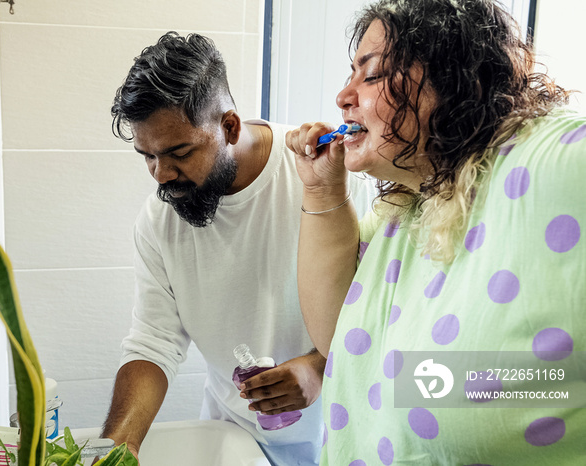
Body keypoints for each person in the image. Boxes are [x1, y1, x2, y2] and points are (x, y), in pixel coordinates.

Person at [287, 0, 585, 464]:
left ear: (456, 76)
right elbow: (338, 345)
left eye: (372, 74)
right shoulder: (406, 208)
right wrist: (322, 190)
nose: (344, 96)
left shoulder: (556, 163)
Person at [99, 31, 376, 465]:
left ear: (229, 126)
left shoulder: (323, 177)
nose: (160, 175)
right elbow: (153, 343)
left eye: (178, 153)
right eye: (147, 156)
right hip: (234, 441)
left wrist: (319, 367)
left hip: (340, 437)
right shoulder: (160, 218)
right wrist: (117, 449)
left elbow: (378, 317)